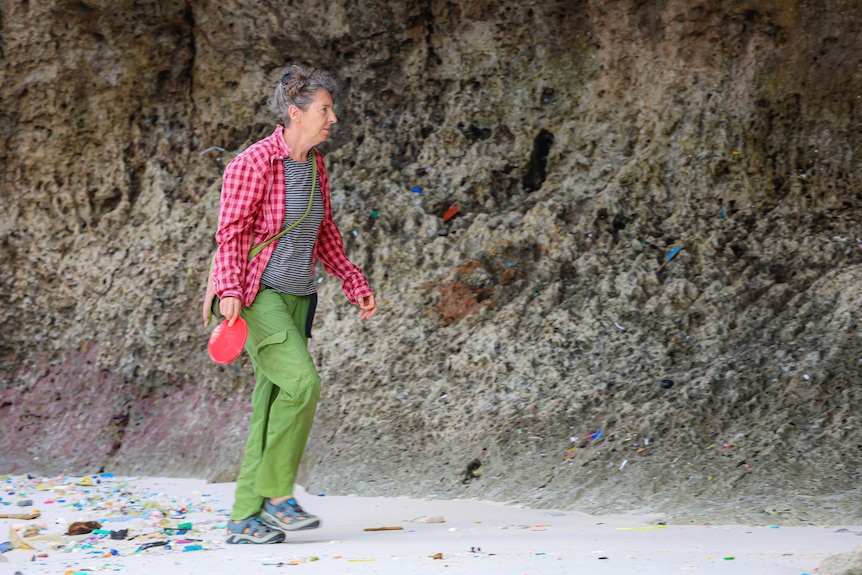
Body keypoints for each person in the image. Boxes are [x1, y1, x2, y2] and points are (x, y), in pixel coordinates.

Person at [205, 63, 378, 544]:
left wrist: (352, 280)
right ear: (295, 112)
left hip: (300, 296)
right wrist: (229, 291)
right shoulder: (253, 163)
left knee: (270, 404)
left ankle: (244, 519)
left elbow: (324, 231)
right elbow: (231, 235)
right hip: (257, 297)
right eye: (325, 109)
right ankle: (278, 497)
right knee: (303, 383)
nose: (333, 118)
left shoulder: (315, 164)